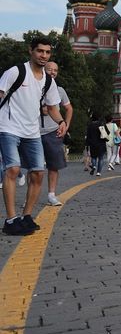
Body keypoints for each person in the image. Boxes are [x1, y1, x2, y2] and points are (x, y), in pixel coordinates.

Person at [1, 37, 66, 235]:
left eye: (47, 52)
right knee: (12, 169)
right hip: (9, 127)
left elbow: (53, 107)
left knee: (38, 173)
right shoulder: (16, 72)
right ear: (31, 51)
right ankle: (11, 220)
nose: (43, 56)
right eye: (40, 51)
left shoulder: (48, 80)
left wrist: (61, 122)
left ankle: (26, 216)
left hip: (32, 131)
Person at [40, 61, 72, 206]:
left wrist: (65, 125)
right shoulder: (34, 87)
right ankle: (30, 195)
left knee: (53, 165)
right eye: (49, 70)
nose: (52, 72)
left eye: (55, 70)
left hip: (53, 131)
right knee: (35, 167)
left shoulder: (59, 90)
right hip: (34, 131)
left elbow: (69, 108)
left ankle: (52, 194)